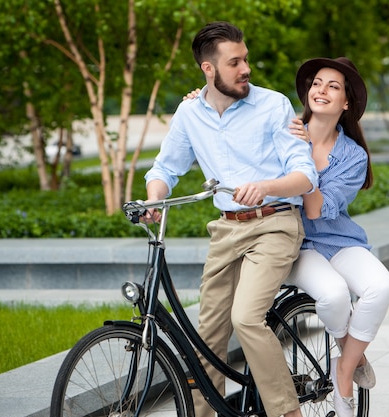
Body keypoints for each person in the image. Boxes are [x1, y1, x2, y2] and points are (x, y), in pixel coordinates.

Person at [144, 21, 318, 417]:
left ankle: (286, 412)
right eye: (234, 62)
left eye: (246, 59)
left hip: (274, 223)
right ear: (209, 69)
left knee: (246, 317)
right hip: (225, 230)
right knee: (209, 334)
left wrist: (266, 186)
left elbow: (305, 175)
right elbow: (164, 169)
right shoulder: (190, 112)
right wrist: (154, 199)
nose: (245, 69)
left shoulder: (273, 105)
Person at [287, 57, 389, 417]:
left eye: (333, 86)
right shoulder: (284, 132)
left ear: (346, 103)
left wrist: (302, 159)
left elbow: (317, 209)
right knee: (333, 295)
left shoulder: (353, 156)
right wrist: (201, 97)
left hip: (339, 240)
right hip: (295, 243)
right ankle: (353, 349)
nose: (322, 90)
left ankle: (344, 373)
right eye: (317, 83)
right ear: (307, 91)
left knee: (381, 286)